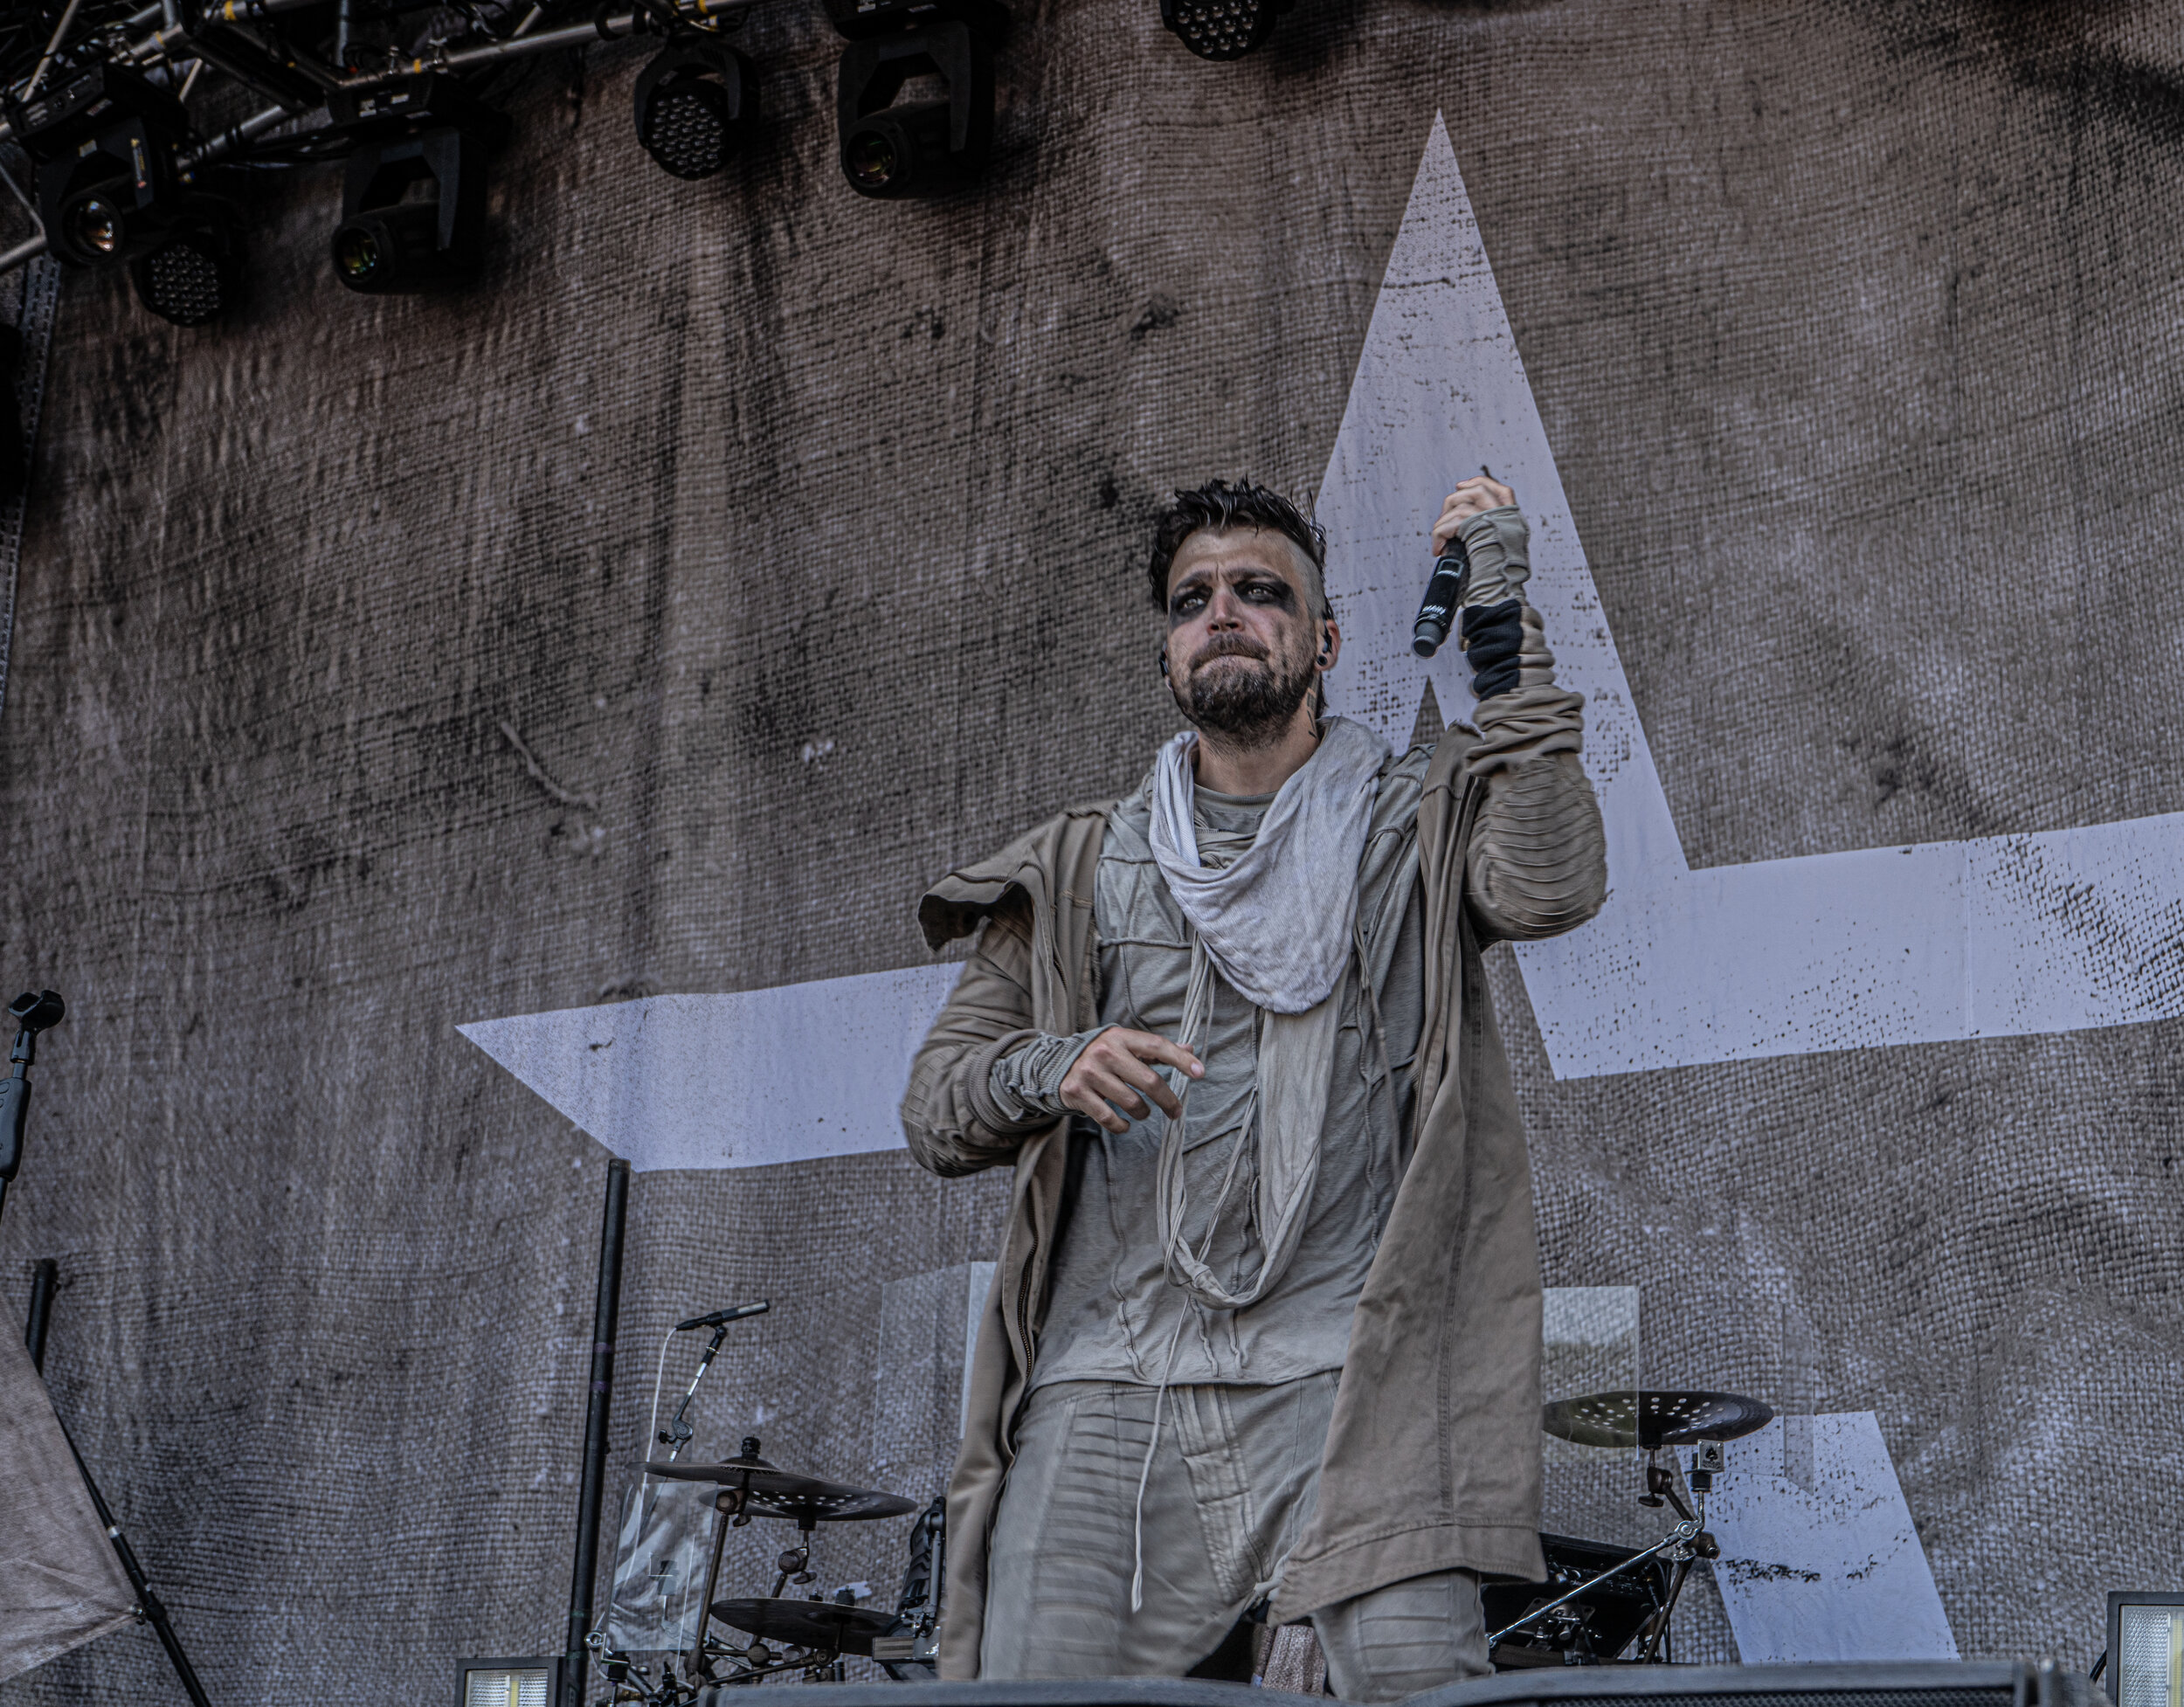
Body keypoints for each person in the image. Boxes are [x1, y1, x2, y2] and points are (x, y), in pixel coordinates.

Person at [899, 475, 1607, 1699]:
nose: (1223, 611)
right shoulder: (1085, 862)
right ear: (1170, 650)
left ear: (1322, 640)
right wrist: (1050, 1063)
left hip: (1351, 1381)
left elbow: (1549, 883)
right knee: (1028, 1696)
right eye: (1194, 599)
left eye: (1261, 590)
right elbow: (936, 1104)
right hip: (1112, 1384)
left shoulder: (1409, 824)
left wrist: (1502, 612)